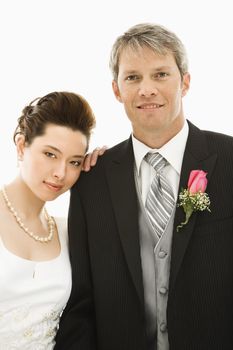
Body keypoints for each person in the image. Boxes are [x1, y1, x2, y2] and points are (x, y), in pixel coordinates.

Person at [55, 23, 233, 350]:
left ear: (186, 82)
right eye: (133, 77)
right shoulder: (91, 180)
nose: (146, 89)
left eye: (161, 74)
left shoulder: (229, 159)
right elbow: (81, 302)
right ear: (116, 90)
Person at [0, 91, 106, 349]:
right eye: (50, 154)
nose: (61, 173)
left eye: (74, 162)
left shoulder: (67, 232)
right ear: (21, 145)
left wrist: (105, 170)